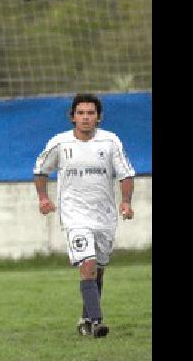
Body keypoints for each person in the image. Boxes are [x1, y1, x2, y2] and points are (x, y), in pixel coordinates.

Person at [33, 93, 136, 338]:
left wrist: (126, 203)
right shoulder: (60, 144)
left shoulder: (111, 142)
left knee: (98, 268)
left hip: (104, 216)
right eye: (81, 113)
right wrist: (43, 198)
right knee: (87, 264)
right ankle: (97, 322)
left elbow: (126, 174)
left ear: (98, 117)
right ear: (72, 117)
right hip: (74, 216)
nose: (86, 118)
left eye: (90, 113)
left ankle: (86, 319)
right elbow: (40, 170)